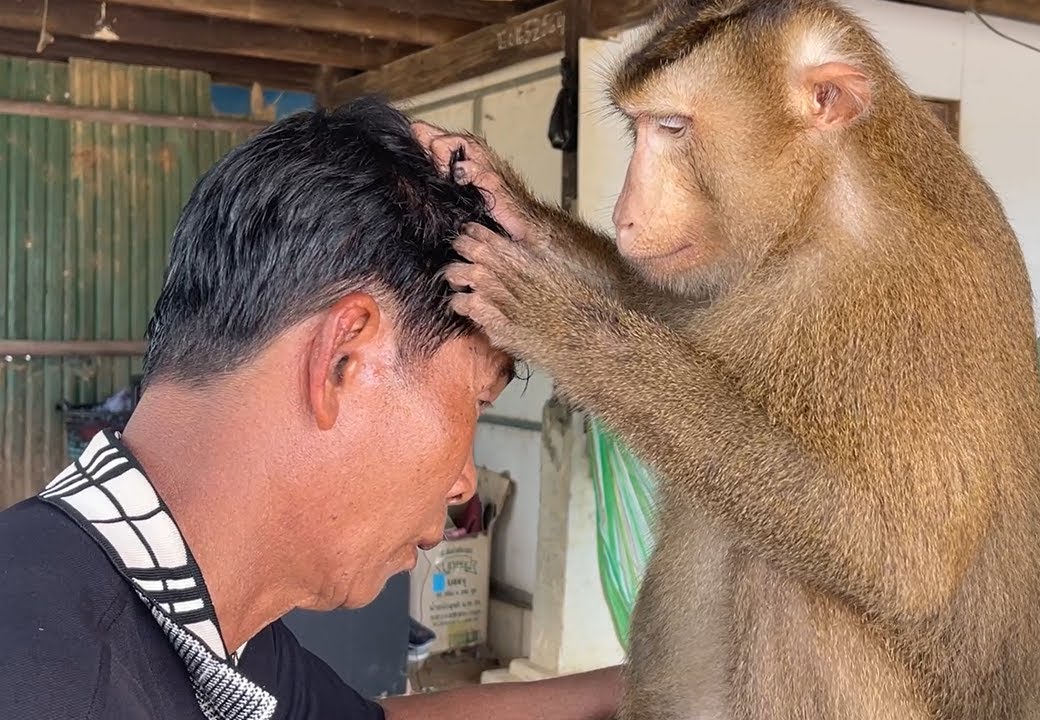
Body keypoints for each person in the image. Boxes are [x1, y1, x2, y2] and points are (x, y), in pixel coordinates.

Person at [0, 97, 621, 720]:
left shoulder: (200, 624)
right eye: (476, 403)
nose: (464, 483)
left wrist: (653, 687)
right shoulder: (50, 686)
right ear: (342, 361)